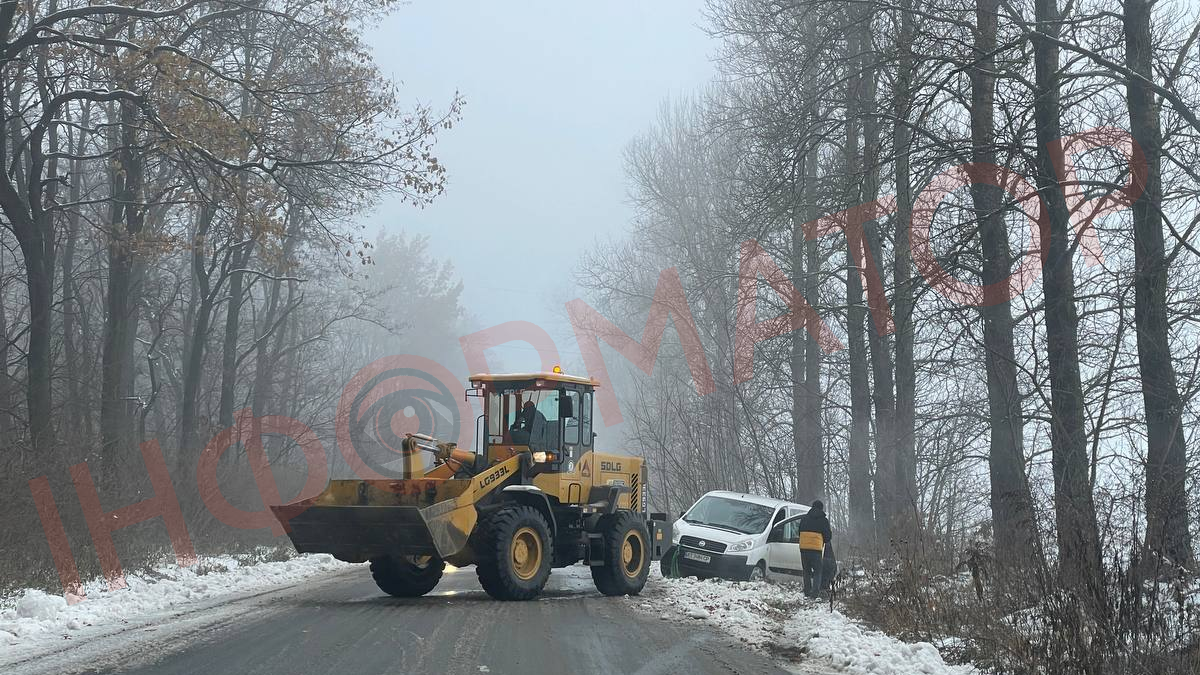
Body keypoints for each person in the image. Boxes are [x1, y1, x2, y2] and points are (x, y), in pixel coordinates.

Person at [797, 499, 832, 599]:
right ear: (821, 508)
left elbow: (799, 532)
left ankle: (807, 591)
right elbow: (827, 537)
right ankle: (814, 594)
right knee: (818, 571)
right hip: (816, 549)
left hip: (803, 548)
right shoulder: (823, 520)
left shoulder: (804, 518)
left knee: (806, 570)